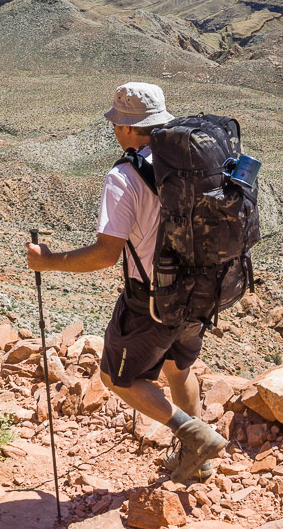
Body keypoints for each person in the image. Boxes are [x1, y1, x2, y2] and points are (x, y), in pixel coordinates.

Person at [25, 81, 227, 482]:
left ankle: (195, 435)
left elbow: (105, 254)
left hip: (151, 300)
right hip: (202, 289)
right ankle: (197, 460)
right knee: (176, 367)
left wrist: (49, 262)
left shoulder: (124, 176)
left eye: (117, 123)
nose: (114, 130)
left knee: (117, 379)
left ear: (128, 128)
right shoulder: (196, 163)